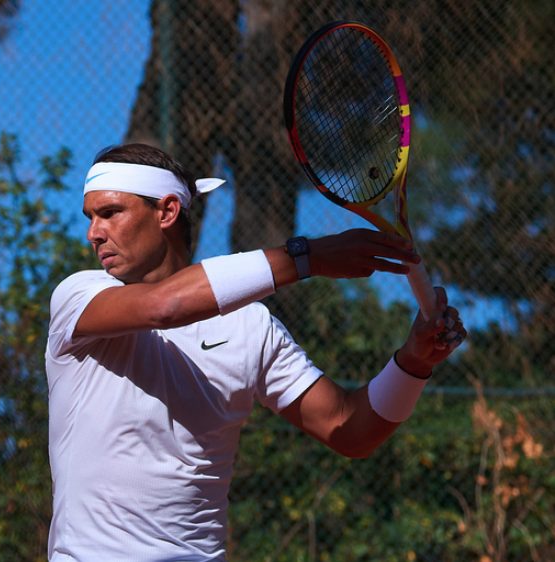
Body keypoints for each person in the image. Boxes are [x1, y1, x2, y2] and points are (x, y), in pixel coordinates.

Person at [44, 143, 466, 561]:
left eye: (110, 213)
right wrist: (309, 257)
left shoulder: (250, 327)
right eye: (91, 217)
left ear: (167, 212)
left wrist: (413, 363)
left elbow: (350, 431)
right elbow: (165, 307)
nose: (93, 233)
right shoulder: (79, 297)